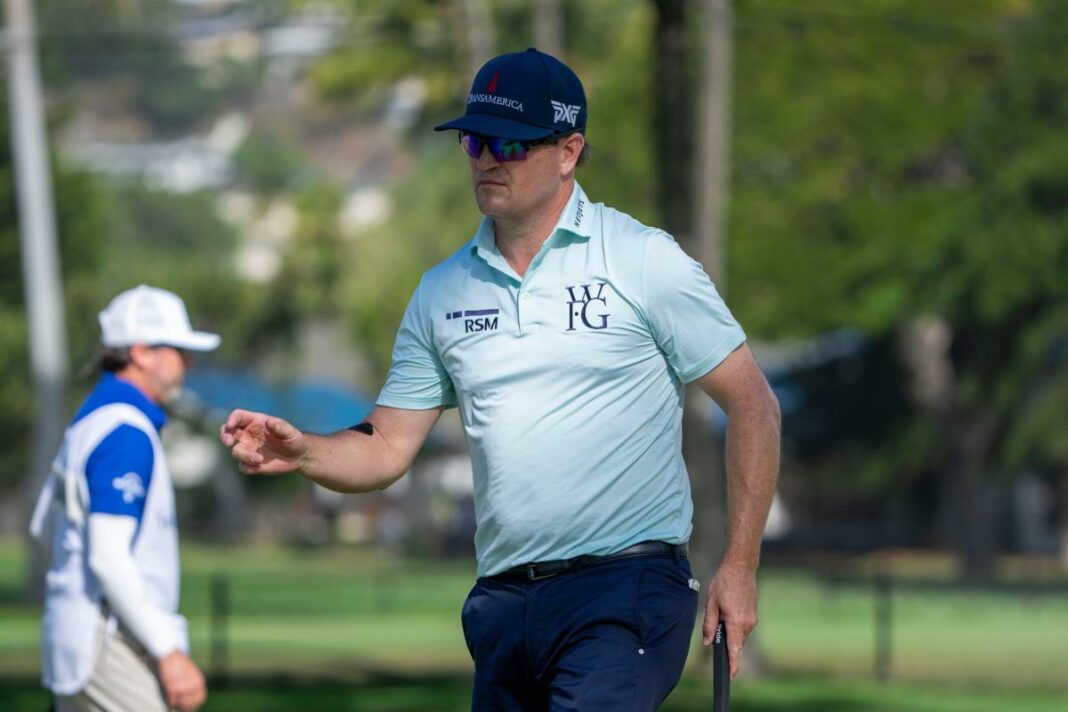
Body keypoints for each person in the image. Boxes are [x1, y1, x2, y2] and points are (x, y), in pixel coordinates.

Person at [220, 48, 780, 710]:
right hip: (503, 604)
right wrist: (305, 449)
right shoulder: (441, 292)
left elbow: (753, 405)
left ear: (569, 151)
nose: (487, 157)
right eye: (474, 140)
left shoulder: (642, 259)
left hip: (625, 589)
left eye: (509, 142)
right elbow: (386, 444)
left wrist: (740, 566)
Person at [30, 285, 217, 712]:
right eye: (178, 350)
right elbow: (108, 559)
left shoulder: (91, 421)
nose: (188, 363)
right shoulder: (125, 433)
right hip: (110, 638)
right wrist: (167, 651)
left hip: (81, 632)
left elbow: (43, 528)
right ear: (141, 352)